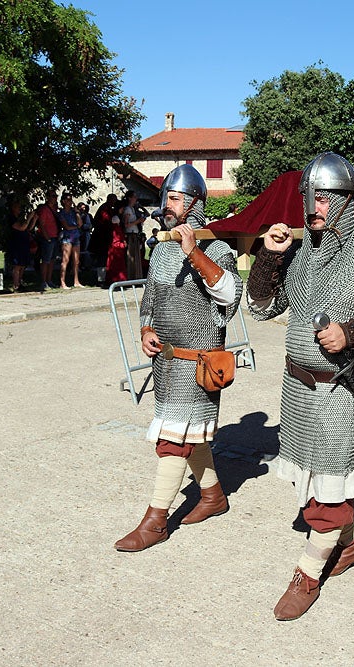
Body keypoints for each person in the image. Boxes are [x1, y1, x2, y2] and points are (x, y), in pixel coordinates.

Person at [246, 153, 354, 621]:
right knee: (316, 482)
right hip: (297, 389)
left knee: (328, 493)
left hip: (341, 392)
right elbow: (262, 305)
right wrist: (270, 256)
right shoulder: (302, 253)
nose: (312, 206)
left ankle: (306, 573)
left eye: (322, 197)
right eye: (309, 196)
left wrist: (353, 333)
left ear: (345, 201)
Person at [114, 165, 243, 554]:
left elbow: (229, 297)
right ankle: (213, 496)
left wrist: (196, 253)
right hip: (167, 364)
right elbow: (150, 302)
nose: (166, 205)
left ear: (194, 204)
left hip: (199, 364)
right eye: (165, 197)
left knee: (172, 441)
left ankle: (156, 522)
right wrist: (145, 332)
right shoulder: (162, 251)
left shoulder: (218, 248)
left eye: (173, 198)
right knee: (189, 435)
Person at [27, 188, 59, 291]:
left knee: (52, 260)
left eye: (56, 196)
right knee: (46, 260)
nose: (55, 198)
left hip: (55, 237)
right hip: (48, 238)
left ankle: (49, 280)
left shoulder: (54, 209)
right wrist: (47, 238)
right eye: (53, 196)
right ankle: (43, 281)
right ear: (48, 198)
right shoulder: (44, 209)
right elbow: (42, 224)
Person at [90, 194, 118, 286]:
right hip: (101, 237)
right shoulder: (104, 208)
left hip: (105, 237)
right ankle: (100, 279)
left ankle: (104, 278)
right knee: (101, 258)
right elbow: (106, 221)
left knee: (104, 258)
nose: (115, 202)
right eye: (114, 200)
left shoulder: (109, 208)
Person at [6, 198, 33, 291]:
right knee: (17, 265)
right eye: (17, 207)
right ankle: (16, 284)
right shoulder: (11, 218)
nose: (19, 209)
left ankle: (20, 282)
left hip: (23, 243)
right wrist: (29, 218)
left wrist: (33, 219)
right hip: (16, 243)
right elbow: (21, 228)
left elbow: (27, 228)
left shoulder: (19, 218)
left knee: (23, 264)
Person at [57, 192, 81, 288]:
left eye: (71, 199)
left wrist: (77, 213)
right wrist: (75, 227)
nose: (70, 202)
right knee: (65, 259)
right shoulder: (62, 213)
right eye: (68, 200)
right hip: (67, 237)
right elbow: (66, 226)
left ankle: (76, 281)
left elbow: (80, 224)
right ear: (63, 201)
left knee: (76, 260)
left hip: (76, 236)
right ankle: (62, 282)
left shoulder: (73, 212)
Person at [121, 190, 146, 280]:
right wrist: (137, 221)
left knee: (135, 256)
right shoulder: (127, 209)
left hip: (134, 234)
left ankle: (136, 276)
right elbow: (126, 224)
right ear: (130, 198)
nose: (136, 199)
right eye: (134, 197)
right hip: (130, 234)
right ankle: (130, 276)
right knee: (130, 256)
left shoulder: (132, 209)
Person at [105, 198, 128, 285]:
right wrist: (121, 244)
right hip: (116, 246)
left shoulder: (118, 218)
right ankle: (116, 280)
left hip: (118, 245)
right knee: (116, 264)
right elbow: (115, 234)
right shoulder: (115, 219)